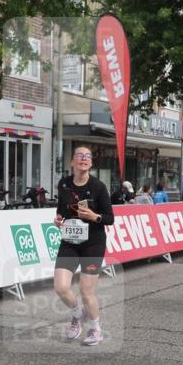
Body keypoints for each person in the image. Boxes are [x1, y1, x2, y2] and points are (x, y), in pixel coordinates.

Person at [52, 145, 115, 346]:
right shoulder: (63, 185)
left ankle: (96, 329)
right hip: (70, 242)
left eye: (88, 156)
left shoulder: (98, 187)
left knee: (86, 292)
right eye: (79, 155)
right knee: (61, 287)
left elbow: (110, 218)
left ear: (91, 163)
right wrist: (59, 218)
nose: (84, 159)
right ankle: (77, 313)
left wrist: (94, 216)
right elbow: (61, 210)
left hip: (93, 244)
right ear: (72, 162)